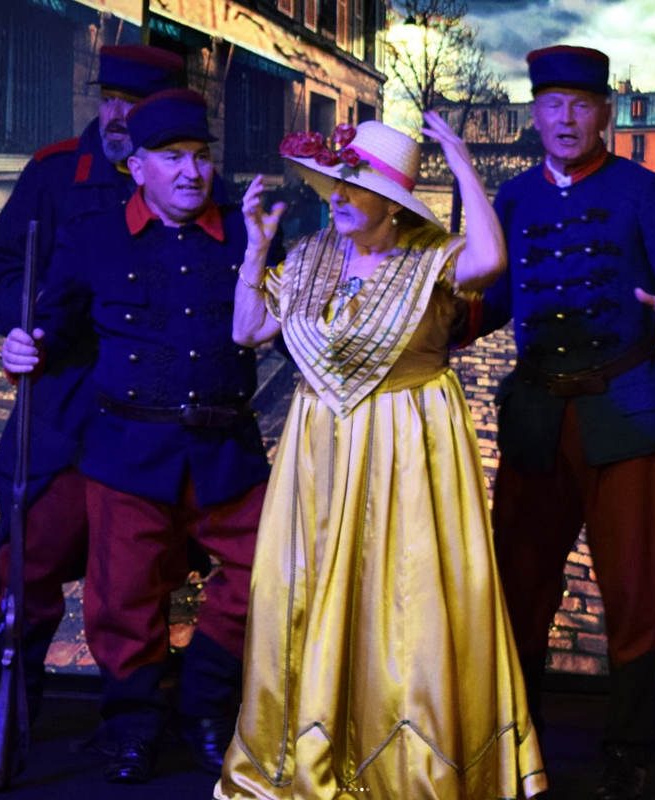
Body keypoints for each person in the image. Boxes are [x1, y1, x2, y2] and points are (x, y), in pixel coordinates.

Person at [213, 115, 547, 799]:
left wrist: (459, 157)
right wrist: (256, 246)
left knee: (403, 611)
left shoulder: (433, 259)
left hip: (408, 454)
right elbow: (247, 330)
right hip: (317, 459)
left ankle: (405, 769)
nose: (335, 196)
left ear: (393, 203)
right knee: (305, 599)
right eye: (333, 183)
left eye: (354, 186)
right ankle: (308, 753)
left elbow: (491, 263)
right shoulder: (310, 256)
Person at [0, 89, 283, 784]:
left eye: (201, 155)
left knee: (272, 572)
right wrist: (26, 345)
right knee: (121, 600)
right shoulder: (94, 235)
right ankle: (131, 727)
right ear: (137, 167)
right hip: (127, 451)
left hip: (226, 451)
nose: (192, 171)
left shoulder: (246, 232)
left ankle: (204, 701)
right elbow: (55, 322)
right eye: (173, 157)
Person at [473, 46, 655, 800]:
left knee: (633, 593)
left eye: (581, 105)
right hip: (537, 418)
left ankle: (628, 748)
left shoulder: (641, 190)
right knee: (519, 587)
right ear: (534, 114)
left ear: (605, 114)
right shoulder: (513, 197)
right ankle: (520, 735)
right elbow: (492, 301)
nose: (565, 118)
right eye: (552, 104)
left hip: (624, 416)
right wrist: (434, 324)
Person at [0, 44, 189, 733]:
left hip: (147, 410)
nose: (117, 115)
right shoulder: (57, 171)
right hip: (66, 399)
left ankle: (135, 724)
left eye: (136, 103)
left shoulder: (186, 179)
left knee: (135, 572)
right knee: (29, 555)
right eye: (110, 99)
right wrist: (22, 322)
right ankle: (11, 711)